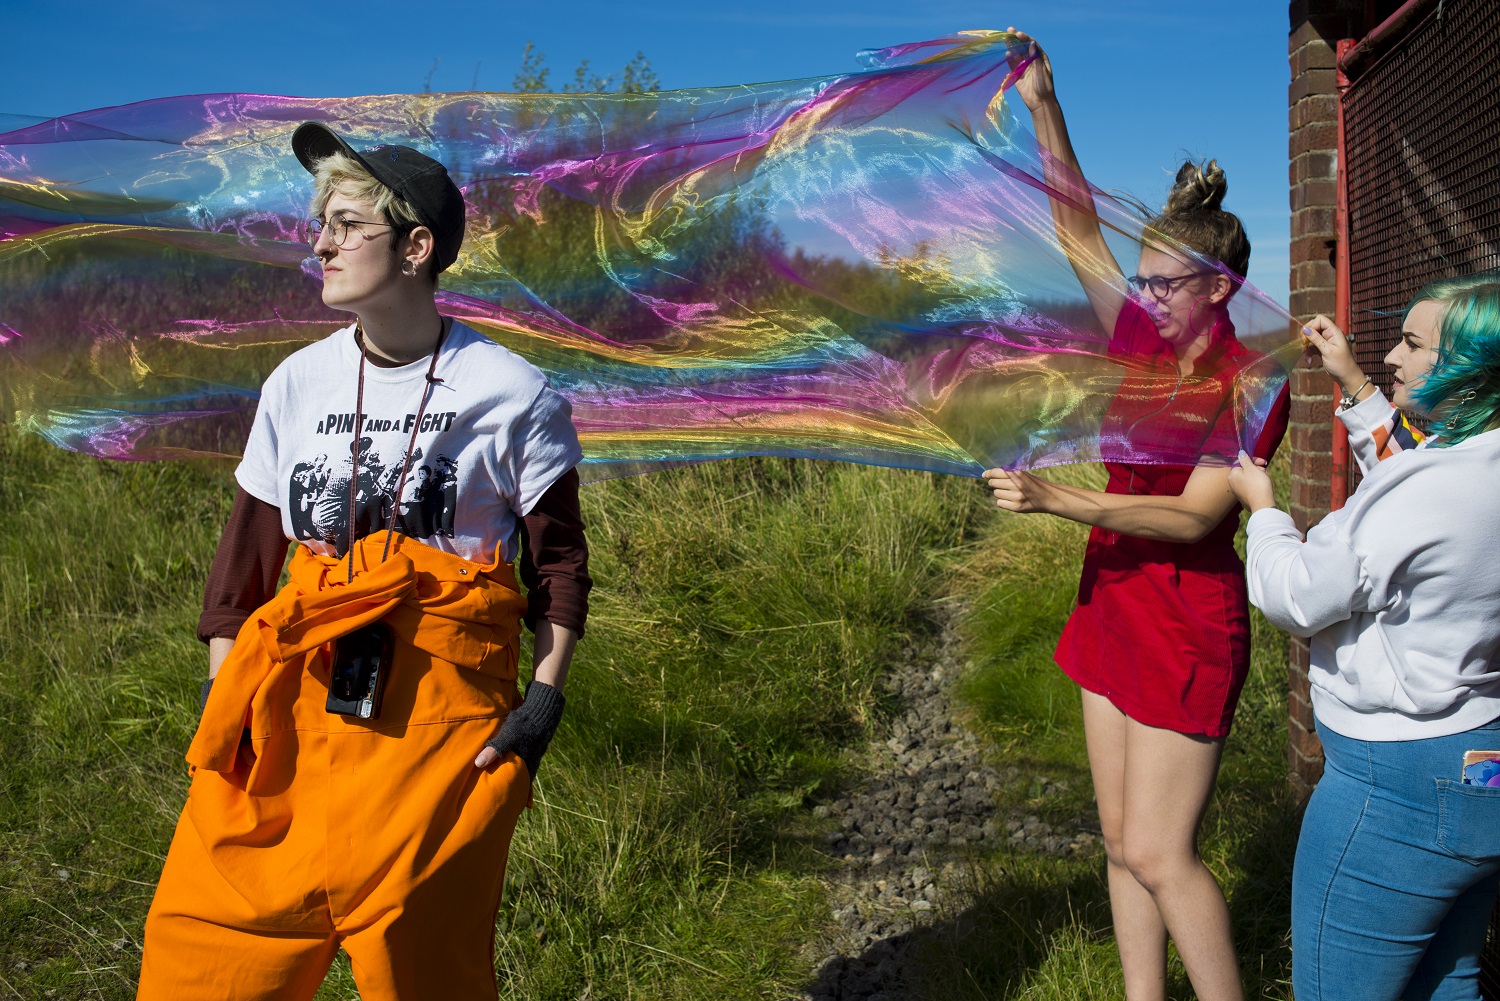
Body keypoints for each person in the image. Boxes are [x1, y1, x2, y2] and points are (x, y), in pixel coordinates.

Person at [136, 122, 592, 1000]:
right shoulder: (295, 383)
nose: (321, 244)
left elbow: (559, 569)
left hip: (439, 740)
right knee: (205, 955)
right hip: (289, 722)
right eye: (322, 223)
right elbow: (242, 575)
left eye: (347, 225)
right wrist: (223, 702)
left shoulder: (513, 394)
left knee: (423, 976)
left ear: (417, 247)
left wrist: (540, 708)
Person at [982, 31, 1289, 1001]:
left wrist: (1055, 495)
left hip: (1188, 620)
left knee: (1164, 850)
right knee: (1119, 840)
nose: (1143, 294)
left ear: (1219, 287)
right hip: (1110, 597)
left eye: (1164, 283)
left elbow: (1199, 519)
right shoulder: (1136, 334)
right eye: (1143, 278)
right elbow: (1077, 229)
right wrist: (1043, 105)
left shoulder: (1251, 382)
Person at [1229, 274, 1500, 1001]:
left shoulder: (1428, 490)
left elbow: (1295, 595)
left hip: (1394, 789)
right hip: (1482, 767)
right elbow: (1417, 500)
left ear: (1471, 365)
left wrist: (1263, 512)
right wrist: (1349, 380)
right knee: (1452, 984)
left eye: (1413, 344)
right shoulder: (1477, 469)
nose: (1392, 357)